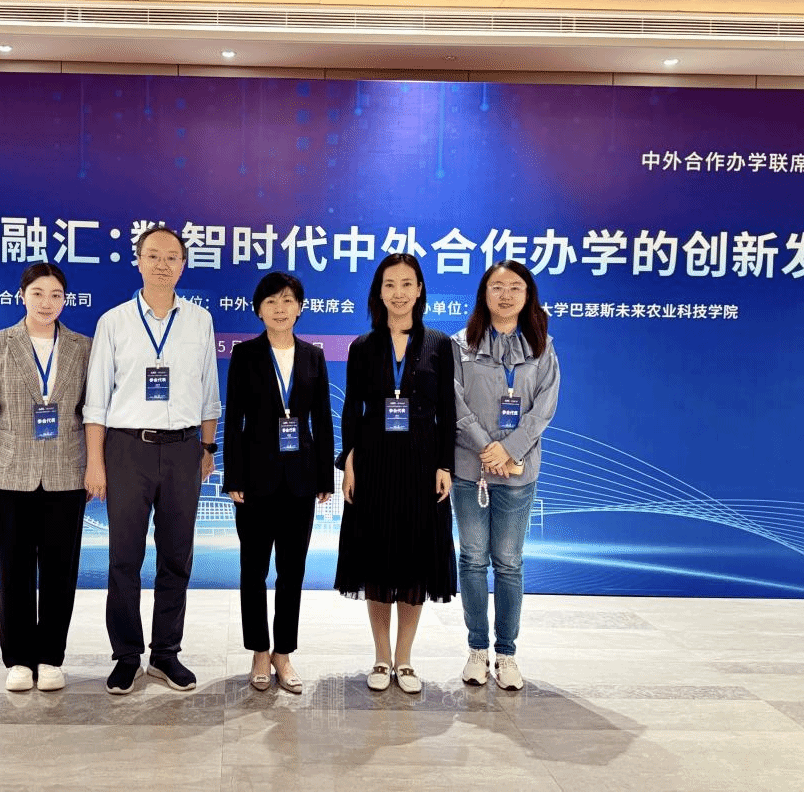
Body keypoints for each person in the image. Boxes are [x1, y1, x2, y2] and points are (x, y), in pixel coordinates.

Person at [83, 225, 221, 695]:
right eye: (154, 256)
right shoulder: (114, 322)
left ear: (183, 265)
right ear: (138, 261)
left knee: (177, 555)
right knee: (124, 557)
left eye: (172, 257)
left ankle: (165, 653)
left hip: (184, 449)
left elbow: (209, 392)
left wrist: (207, 448)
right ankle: (126, 656)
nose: (163, 264)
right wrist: (96, 463)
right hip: (127, 449)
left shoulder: (200, 320)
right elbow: (96, 401)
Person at [0, 263, 92, 692]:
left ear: (65, 300)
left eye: (56, 295)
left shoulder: (82, 347)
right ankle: (18, 659)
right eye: (38, 293)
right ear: (22, 296)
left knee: (60, 571)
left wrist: (95, 468)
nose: (46, 303)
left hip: (66, 473)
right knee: (14, 569)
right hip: (9, 472)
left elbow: (93, 413)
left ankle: (51, 657)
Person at [334, 253, 456, 695]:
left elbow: (448, 410)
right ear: (379, 292)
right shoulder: (363, 346)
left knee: (415, 562)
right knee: (377, 560)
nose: (399, 293)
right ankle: (381, 656)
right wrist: (348, 461)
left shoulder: (439, 344)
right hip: (375, 463)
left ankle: (405, 659)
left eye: (407, 284)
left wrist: (445, 465)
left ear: (419, 290)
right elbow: (352, 409)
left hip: (423, 465)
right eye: (390, 285)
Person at [222, 272, 334, 694]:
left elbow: (322, 419)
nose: (280, 308)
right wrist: (233, 476)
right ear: (259, 310)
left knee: (292, 571)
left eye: (288, 300)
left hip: (301, 480)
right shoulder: (246, 354)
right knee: (253, 570)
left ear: (300, 308)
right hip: (254, 479)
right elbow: (234, 418)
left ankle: (283, 653)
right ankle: (258, 650)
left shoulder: (313, 356)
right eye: (271, 301)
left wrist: (325, 476)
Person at [450, 260, 560, 691]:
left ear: (528, 295)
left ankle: (507, 653)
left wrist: (510, 449)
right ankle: (477, 650)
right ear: (484, 294)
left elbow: (544, 407)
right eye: (497, 287)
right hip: (469, 468)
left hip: (518, 469)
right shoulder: (461, 344)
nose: (506, 295)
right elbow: (454, 402)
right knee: (473, 559)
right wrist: (486, 446)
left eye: (516, 287)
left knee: (509, 562)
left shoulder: (542, 346)